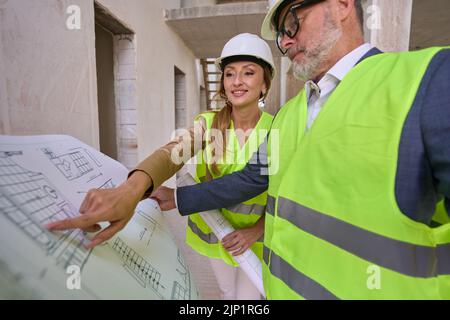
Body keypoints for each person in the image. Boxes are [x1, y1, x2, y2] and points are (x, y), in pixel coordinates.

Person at [152, 0, 450, 300]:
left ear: (342, 4)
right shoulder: (289, 115)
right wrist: (167, 192)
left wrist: (254, 231)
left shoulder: (430, 81)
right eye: (281, 33)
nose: (284, 40)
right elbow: (250, 180)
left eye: (293, 22)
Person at [47, 33, 276, 300]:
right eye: (229, 74)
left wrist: (256, 229)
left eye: (248, 73)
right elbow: (173, 153)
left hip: (255, 237)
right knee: (227, 292)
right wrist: (133, 188)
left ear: (264, 85)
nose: (237, 81)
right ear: (223, 84)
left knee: (248, 298)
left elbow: (277, 191)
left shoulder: (276, 128)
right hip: (215, 233)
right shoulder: (208, 123)